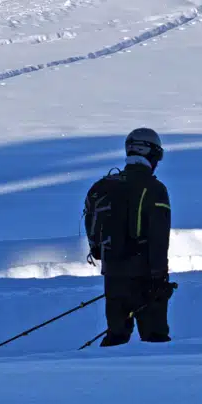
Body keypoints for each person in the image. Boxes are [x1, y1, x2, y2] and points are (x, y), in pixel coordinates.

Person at [84, 129, 174, 346]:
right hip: (147, 277)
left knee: (116, 336)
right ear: (152, 154)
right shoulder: (155, 189)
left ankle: (104, 367)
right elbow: (159, 238)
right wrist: (160, 277)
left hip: (113, 274)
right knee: (155, 339)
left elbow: (92, 229)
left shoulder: (103, 186)